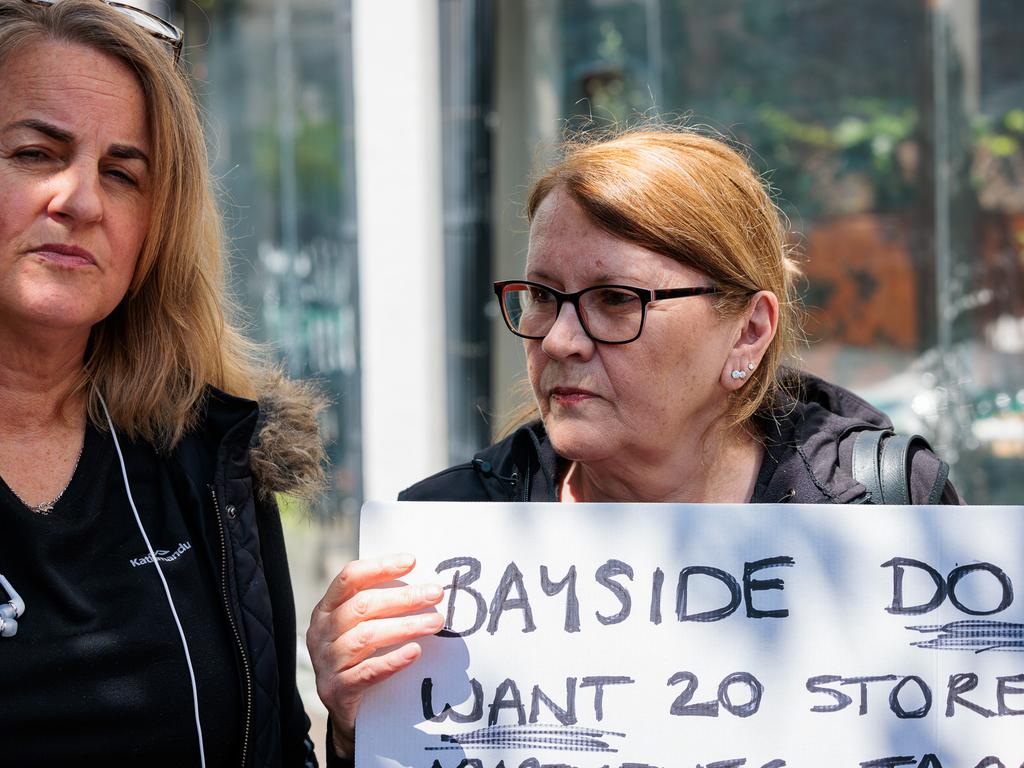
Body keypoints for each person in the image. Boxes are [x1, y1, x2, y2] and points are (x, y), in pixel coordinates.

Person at [305, 127, 963, 763]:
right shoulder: (444, 540)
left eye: (616, 299)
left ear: (748, 332)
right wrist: (359, 732)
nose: (559, 340)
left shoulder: (886, 508)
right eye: (541, 296)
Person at [0, 1, 326, 765]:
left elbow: (279, 750)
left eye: (122, 173)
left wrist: (354, 723)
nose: (79, 200)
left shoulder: (214, 461)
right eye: (35, 153)